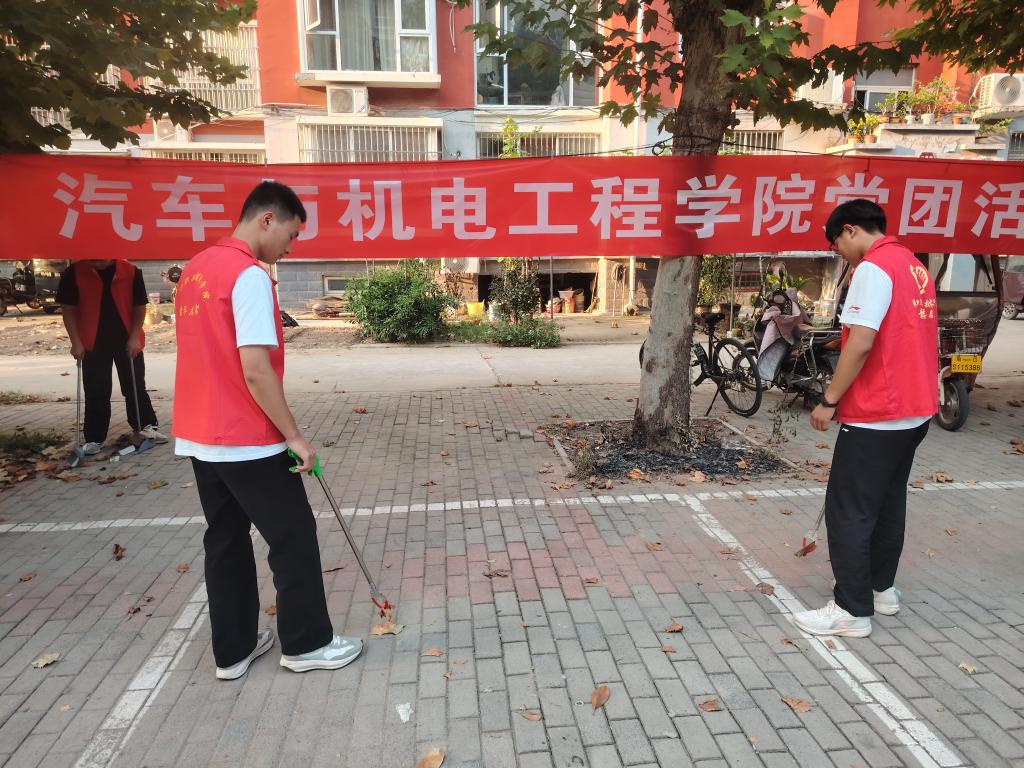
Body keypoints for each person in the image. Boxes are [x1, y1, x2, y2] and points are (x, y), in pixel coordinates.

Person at [173, 181, 362, 680]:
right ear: (267, 220)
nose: (290, 247)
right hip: (244, 435)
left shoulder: (196, 269)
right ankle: (307, 643)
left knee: (226, 538)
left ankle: (233, 650)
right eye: (291, 234)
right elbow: (255, 369)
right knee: (293, 535)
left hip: (200, 432)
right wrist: (294, 436)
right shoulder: (248, 276)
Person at [794, 199, 938, 638]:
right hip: (914, 410)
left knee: (850, 511)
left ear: (851, 230)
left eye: (836, 243)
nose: (838, 252)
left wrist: (829, 399)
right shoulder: (913, 265)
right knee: (888, 505)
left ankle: (850, 610)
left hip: (877, 410)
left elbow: (860, 342)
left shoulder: (872, 269)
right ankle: (880, 590)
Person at [57, 259, 166, 453]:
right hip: (91, 340)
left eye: (101, 257)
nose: (97, 261)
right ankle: (94, 438)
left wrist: (134, 337)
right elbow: (68, 309)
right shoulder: (73, 273)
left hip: (127, 338)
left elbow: (139, 306)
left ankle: (146, 427)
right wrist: (76, 342)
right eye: (92, 257)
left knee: (134, 386)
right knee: (95, 389)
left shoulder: (130, 271)